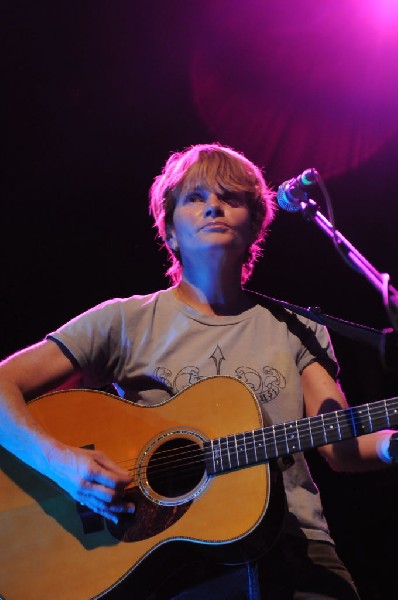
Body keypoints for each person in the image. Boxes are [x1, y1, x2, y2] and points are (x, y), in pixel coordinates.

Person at [0, 142, 396, 599]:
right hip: (169, 565)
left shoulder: (298, 328)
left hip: (298, 551)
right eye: (195, 197)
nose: (214, 206)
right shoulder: (124, 321)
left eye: (231, 198)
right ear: (169, 231)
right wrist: (64, 465)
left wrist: (392, 446)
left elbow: (340, 447)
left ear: (254, 227)